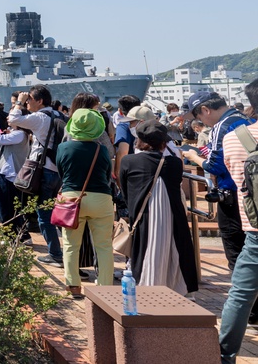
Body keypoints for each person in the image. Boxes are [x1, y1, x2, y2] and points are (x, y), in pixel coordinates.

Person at [119, 121, 198, 295]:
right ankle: (176, 287)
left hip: (142, 216)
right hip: (172, 218)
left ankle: (145, 287)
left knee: (143, 252)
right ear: (163, 143)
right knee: (174, 251)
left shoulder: (128, 161)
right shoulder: (175, 164)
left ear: (140, 141)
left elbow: (125, 191)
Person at [182, 91, 253, 274]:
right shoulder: (246, 120)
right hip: (252, 194)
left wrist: (193, 156)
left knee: (236, 253)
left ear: (205, 110)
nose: (201, 122)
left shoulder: (221, 127)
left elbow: (215, 166)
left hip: (232, 196)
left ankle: (242, 298)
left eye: (198, 116)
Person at [54, 108, 114, 299]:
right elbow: (107, 175)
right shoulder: (101, 149)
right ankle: (105, 287)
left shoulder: (63, 148)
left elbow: (61, 174)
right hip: (100, 198)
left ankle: (73, 285)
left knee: (71, 245)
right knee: (104, 246)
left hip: (71, 197)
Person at [219, 78, 258, 362]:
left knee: (241, 296)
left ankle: (224, 356)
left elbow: (238, 182)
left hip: (255, 231)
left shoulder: (233, 138)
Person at [9, 85, 65, 267]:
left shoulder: (40, 117)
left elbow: (12, 119)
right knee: (54, 212)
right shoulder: (58, 115)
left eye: (30, 99)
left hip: (43, 170)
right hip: (56, 169)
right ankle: (62, 250)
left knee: (44, 214)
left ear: (40, 101)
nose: (27, 102)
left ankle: (55, 254)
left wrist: (18, 102)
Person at [0, 117, 31, 241]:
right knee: (11, 206)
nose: (8, 118)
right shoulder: (17, 134)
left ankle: (11, 235)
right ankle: (21, 235)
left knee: (7, 207)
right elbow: (0, 141)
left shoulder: (20, 134)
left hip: (10, 175)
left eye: (12, 116)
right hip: (6, 173)